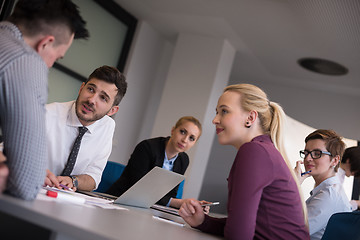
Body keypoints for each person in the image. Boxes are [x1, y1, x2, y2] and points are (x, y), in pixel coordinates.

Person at [179, 83, 309, 239]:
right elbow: (244, 224)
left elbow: (238, 234)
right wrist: (203, 221)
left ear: (250, 118)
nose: (214, 120)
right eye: (217, 112)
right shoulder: (262, 150)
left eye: (224, 111)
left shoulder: (255, 151)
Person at [0, 0, 88, 200]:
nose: (49, 66)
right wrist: (27, 170)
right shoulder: (25, 59)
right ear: (46, 43)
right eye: (57, 58)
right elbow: (26, 183)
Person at [44, 65, 127, 192]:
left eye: (103, 98)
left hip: (67, 201)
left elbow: (94, 178)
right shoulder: (47, 114)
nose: (92, 100)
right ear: (81, 88)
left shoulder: (107, 126)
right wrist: (35, 170)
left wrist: (73, 181)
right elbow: (4, 152)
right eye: (91, 89)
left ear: (112, 110)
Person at [106, 116, 202, 208]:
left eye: (191, 138)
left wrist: (191, 206)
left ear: (194, 143)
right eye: (182, 132)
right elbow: (138, 188)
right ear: (173, 130)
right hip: (120, 201)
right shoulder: (147, 147)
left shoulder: (183, 160)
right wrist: (176, 203)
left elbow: (171, 193)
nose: (184, 140)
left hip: (151, 208)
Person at [295, 129, 352, 240]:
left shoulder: (329, 195)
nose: (308, 158)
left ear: (335, 160)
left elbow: (291, 232)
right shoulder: (327, 189)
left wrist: (293, 185)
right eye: (306, 153)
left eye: (317, 153)